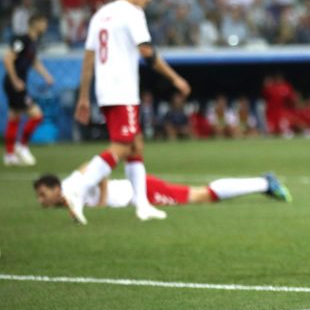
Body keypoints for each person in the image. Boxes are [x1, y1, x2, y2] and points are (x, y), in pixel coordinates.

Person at [68, 0, 191, 225]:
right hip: (122, 88)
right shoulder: (133, 13)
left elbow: (89, 58)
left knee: (136, 144)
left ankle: (142, 205)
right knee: (123, 145)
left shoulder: (100, 14)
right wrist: (175, 78)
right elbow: (146, 51)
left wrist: (84, 97)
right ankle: (77, 189)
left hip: (105, 90)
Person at [34, 168, 291, 224]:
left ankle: (264, 182)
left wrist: (101, 201)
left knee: (202, 195)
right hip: (137, 194)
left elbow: (100, 171)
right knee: (202, 194)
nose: (41, 200)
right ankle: (263, 182)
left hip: (140, 191)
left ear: (56, 188)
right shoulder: (66, 194)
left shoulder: (69, 186)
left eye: (43, 194)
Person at [3, 13, 54, 166]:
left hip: (18, 83)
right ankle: (22, 146)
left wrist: (47, 75)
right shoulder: (22, 39)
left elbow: (34, 61)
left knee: (14, 117)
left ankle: (10, 154)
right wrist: (15, 80)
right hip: (15, 84)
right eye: (43, 22)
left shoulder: (33, 42)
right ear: (35, 23)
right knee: (37, 115)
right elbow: (8, 58)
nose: (45, 26)